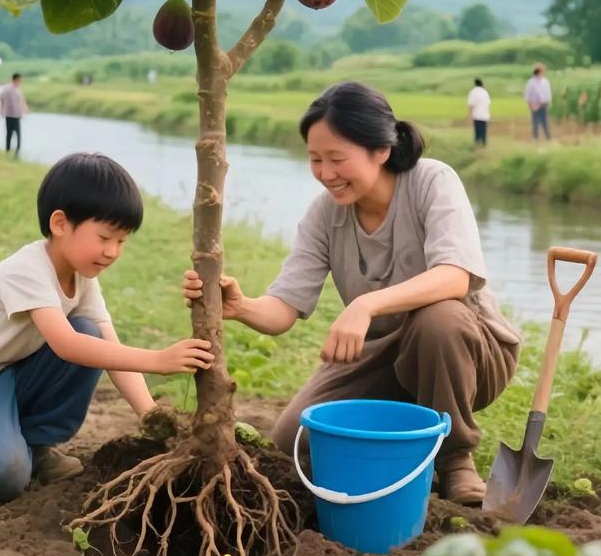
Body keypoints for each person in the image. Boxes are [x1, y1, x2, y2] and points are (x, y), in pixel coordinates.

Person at [184, 82, 521, 506]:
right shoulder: (325, 214)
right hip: (383, 355)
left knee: (438, 318)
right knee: (295, 441)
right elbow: (284, 308)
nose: (326, 173)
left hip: (468, 354)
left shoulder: (432, 182)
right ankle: (405, 453)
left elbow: (456, 276)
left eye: (337, 159)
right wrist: (241, 305)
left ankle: (454, 461)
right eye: (315, 160)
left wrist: (366, 304)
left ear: (381, 150)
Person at [0, 152, 213, 500]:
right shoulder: (26, 271)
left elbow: (109, 348)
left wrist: (150, 414)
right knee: (4, 480)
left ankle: (35, 447)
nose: (112, 251)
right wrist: (158, 360)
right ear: (60, 224)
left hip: (8, 375)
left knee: (91, 332)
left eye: (121, 241)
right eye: (104, 237)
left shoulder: (81, 276)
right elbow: (65, 345)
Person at [0, 72, 28, 156]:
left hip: (17, 115)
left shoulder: (18, 89)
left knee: (18, 134)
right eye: (19, 80)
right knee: (9, 133)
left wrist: (24, 109)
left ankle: (17, 151)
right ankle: (8, 150)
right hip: (9, 115)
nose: (20, 82)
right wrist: (1, 110)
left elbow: (21, 101)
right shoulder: (7, 88)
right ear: (15, 79)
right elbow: (1, 99)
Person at [524, 64, 552, 140]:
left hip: (543, 104)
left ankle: (548, 137)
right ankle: (535, 137)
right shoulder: (531, 82)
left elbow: (548, 93)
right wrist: (530, 104)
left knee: (545, 122)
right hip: (534, 104)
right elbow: (528, 94)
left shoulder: (545, 82)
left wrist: (548, 102)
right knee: (535, 122)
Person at [467, 78, 491, 147]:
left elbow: (471, 105)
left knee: (477, 132)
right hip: (485, 115)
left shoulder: (473, 92)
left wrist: (469, 116)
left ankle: (477, 146)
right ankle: (483, 145)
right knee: (483, 132)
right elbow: (488, 104)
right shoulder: (485, 92)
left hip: (477, 115)